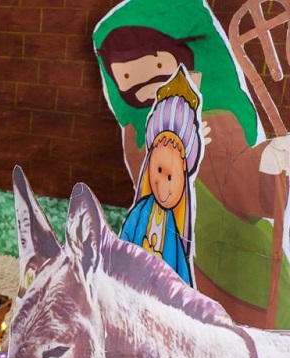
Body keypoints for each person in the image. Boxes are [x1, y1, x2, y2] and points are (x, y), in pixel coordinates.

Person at [94, 0, 290, 328]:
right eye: (126, 74)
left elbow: (240, 176)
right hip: (171, 258)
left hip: (235, 276)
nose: (142, 80)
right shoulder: (137, 137)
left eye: (155, 63)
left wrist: (268, 161)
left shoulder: (215, 121)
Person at [120, 68, 201, 285]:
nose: (163, 185)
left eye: (170, 177)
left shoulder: (174, 231)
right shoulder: (140, 212)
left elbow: (181, 276)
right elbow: (123, 243)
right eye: (158, 171)